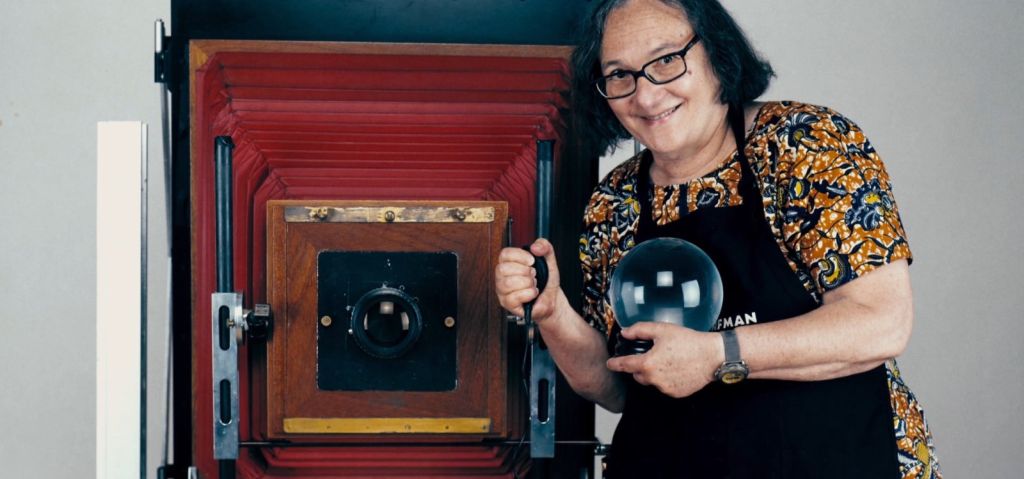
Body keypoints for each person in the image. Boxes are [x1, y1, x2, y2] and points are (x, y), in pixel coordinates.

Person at [494, 0, 941, 477]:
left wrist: (716, 355)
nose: (646, 95)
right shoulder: (614, 202)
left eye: (666, 60)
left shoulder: (804, 144)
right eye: (620, 75)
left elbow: (880, 323)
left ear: (717, 53)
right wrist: (552, 313)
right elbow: (617, 387)